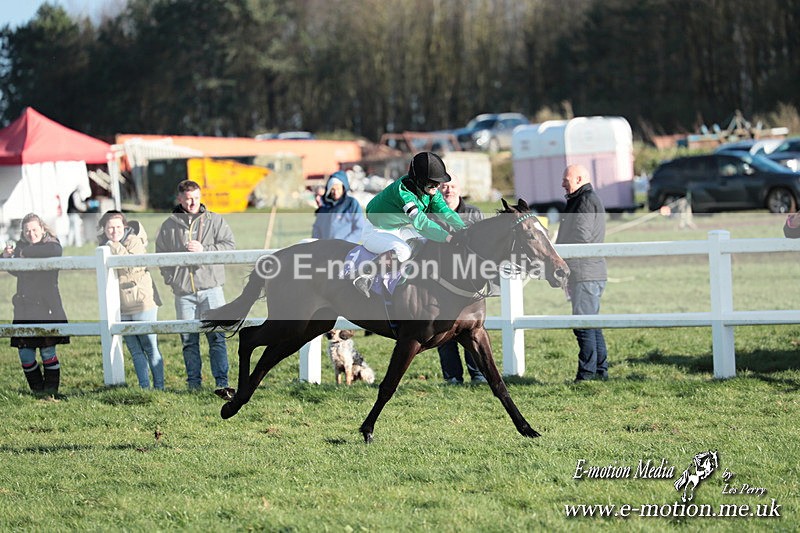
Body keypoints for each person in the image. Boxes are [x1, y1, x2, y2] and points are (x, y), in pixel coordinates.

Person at [155, 180, 236, 400]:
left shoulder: (215, 220)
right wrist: (172, 279)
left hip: (211, 288)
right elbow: (160, 255)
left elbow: (229, 246)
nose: (193, 203)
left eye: (197, 198)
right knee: (188, 340)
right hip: (184, 293)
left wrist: (205, 249)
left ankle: (222, 383)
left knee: (217, 337)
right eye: (188, 198)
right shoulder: (168, 225)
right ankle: (194, 385)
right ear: (179, 198)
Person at [353, 151, 466, 297]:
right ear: (419, 180)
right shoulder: (404, 194)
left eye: (438, 182)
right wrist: (448, 237)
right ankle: (365, 275)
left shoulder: (430, 190)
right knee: (403, 251)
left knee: (425, 241)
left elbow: (445, 212)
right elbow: (422, 224)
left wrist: (463, 228)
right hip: (375, 231)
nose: (437, 186)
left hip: (397, 228)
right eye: (432, 182)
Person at [2, 213, 68, 394]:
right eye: (27, 230)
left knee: (47, 352)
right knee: (25, 355)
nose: (31, 234)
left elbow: (55, 252)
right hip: (24, 309)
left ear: (42, 229)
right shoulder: (21, 246)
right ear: (23, 232)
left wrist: (22, 253)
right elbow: (17, 272)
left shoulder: (51, 244)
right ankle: (38, 391)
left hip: (47, 307)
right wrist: (6, 257)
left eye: (35, 230)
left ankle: (51, 392)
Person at [99, 210, 164, 390]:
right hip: (120, 305)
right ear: (103, 228)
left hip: (142, 302)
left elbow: (131, 265)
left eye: (118, 227)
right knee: (135, 350)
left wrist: (114, 245)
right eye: (110, 227)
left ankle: (159, 387)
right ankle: (144, 387)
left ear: (125, 227)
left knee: (150, 346)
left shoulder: (134, 241)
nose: (114, 231)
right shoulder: (104, 247)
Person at [555, 164, 609, 383]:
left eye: (566, 180)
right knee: (590, 323)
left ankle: (587, 374)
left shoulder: (584, 201)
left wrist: (562, 259)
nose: (562, 184)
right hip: (588, 271)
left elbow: (581, 236)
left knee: (583, 325)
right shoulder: (582, 199)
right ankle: (599, 370)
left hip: (584, 272)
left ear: (578, 179)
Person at [436, 176, 487, 384]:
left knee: (471, 328)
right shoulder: (433, 214)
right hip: (441, 282)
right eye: (444, 186)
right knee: (442, 329)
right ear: (439, 190)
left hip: (468, 283)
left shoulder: (474, 214)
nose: (448, 190)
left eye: (453, 186)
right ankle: (452, 377)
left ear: (460, 189)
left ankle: (477, 374)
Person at [312, 170, 364, 243]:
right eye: (333, 189)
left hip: (346, 249)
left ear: (343, 188)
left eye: (338, 189)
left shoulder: (351, 204)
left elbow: (359, 228)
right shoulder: (324, 207)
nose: (336, 192)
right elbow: (317, 229)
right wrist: (316, 244)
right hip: (326, 249)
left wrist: (345, 244)